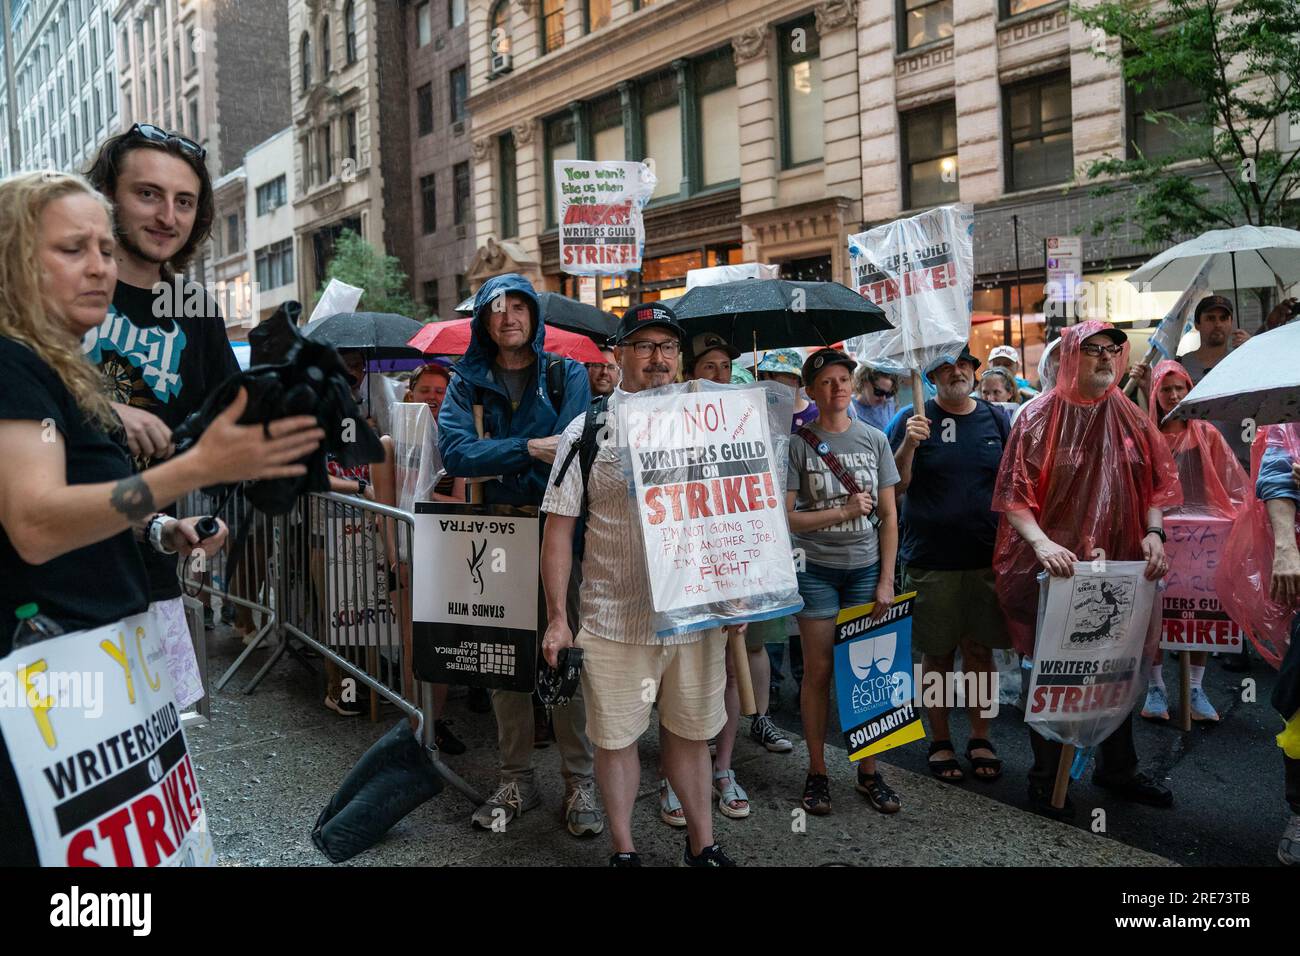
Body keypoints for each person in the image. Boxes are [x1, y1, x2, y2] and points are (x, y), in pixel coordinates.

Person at [0, 171, 323, 865]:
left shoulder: (63, 369)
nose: (99, 267)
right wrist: (194, 470)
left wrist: (157, 530)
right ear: (16, 260)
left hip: (101, 671)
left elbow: (75, 497)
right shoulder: (11, 363)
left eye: (104, 249)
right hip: (46, 688)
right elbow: (33, 522)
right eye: (71, 249)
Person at [541, 303, 737, 866]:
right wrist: (559, 617)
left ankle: (703, 846)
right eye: (645, 346)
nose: (658, 358)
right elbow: (559, 528)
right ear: (620, 355)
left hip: (694, 615)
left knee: (690, 735)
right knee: (616, 738)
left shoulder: (712, 419)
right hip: (612, 619)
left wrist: (746, 586)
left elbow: (735, 511)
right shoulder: (586, 431)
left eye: (669, 347)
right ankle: (624, 851)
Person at [992, 320, 1182, 817]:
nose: (1104, 358)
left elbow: (1157, 487)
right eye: (1093, 349)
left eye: (1112, 349)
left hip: (1120, 565)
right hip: (1056, 570)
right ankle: (1045, 779)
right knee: (1054, 670)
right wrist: (1042, 545)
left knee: (1116, 664)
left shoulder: (1132, 417)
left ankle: (1118, 770)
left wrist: (1154, 532)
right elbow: (1014, 497)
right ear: (1071, 357)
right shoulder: (1036, 417)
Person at [437, 272, 599, 836]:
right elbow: (456, 453)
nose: (508, 317)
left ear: (533, 316)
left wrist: (500, 456)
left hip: (560, 531)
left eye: (518, 307)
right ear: (483, 320)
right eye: (496, 309)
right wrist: (528, 447)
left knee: (565, 655)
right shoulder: (465, 382)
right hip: (495, 536)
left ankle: (581, 781)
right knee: (501, 662)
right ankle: (516, 779)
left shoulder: (566, 373)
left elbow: (574, 449)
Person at [82, 124, 242, 692]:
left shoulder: (196, 311)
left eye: (184, 201)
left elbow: (227, 427)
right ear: (105, 197)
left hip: (151, 567)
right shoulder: (54, 292)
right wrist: (97, 408)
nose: (166, 217)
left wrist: (215, 514)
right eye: (147, 194)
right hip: (51, 582)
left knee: (162, 754)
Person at [788, 348, 902, 816]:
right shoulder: (798, 444)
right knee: (817, 672)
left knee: (870, 674)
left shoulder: (874, 439)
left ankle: (869, 772)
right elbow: (788, 518)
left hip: (865, 570)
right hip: (814, 571)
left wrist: (886, 581)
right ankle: (817, 770)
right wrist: (843, 511)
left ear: (852, 387)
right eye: (827, 382)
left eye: (843, 380)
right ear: (811, 392)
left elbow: (891, 516)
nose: (837, 388)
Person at [890, 347, 1011, 784]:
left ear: (974, 373)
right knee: (937, 655)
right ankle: (939, 740)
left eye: (964, 364)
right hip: (930, 562)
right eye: (946, 366)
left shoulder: (996, 419)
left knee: (980, 651)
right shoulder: (909, 418)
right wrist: (909, 443)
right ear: (932, 375)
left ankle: (980, 735)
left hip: (984, 559)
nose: (957, 371)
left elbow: (1012, 483)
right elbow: (895, 487)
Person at [657, 329, 761, 827]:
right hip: (678, 569)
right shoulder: (661, 424)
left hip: (731, 564)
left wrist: (744, 573)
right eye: (708, 367)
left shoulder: (743, 425)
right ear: (688, 374)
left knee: (725, 668)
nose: (720, 377)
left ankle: (722, 769)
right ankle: (674, 775)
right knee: (677, 675)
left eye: (726, 367)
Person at [1139, 361, 1250, 723]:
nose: (1173, 396)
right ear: (1155, 393)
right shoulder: (1143, 436)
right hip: (1155, 536)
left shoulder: (1208, 434)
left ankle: (1196, 688)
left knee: (1199, 613)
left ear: (1190, 391)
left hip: (1202, 540)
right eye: (1166, 389)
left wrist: (1238, 524)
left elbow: (1232, 485)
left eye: (1180, 389)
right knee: (1154, 617)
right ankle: (1156, 687)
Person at [1012, 337, 1061, 424]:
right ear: (1046, 369)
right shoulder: (1028, 412)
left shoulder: (1091, 410)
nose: (1069, 363)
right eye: (1061, 358)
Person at [850, 366, 898, 432]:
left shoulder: (889, 402)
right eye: (879, 392)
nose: (883, 399)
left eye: (888, 394)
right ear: (865, 382)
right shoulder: (849, 408)